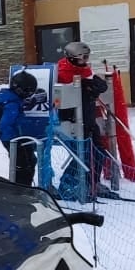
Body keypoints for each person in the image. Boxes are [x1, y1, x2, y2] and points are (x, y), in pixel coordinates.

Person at [57, 41, 114, 194]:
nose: (86, 61)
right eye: (83, 57)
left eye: (87, 57)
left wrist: (95, 86)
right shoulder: (63, 71)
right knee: (82, 155)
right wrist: (86, 87)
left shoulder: (84, 69)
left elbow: (95, 83)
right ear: (72, 58)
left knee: (99, 152)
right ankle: (68, 185)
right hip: (73, 120)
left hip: (88, 118)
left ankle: (93, 183)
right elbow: (69, 94)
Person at [0, 70, 48, 187]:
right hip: (14, 139)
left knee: (25, 162)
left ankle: (20, 187)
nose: (29, 95)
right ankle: (21, 189)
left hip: (12, 138)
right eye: (28, 92)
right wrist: (17, 136)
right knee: (24, 165)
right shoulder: (12, 104)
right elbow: (5, 123)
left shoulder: (8, 98)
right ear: (20, 90)